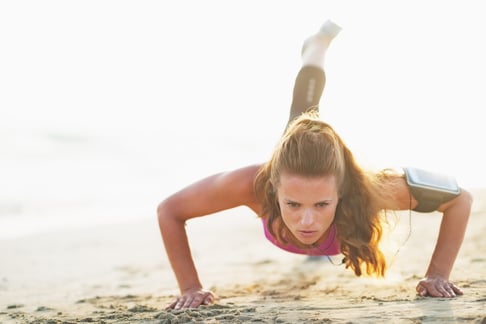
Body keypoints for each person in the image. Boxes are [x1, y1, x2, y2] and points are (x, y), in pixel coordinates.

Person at [157, 19, 473, 310]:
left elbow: (460, 199)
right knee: (301, 111)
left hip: (333, 170)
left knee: (305, 109)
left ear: (343, 191)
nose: (307, 221)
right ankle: (316, 47)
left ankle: (316, 48)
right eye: (292, 204)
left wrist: (437, 274)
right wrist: (190, 287)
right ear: (273, 190)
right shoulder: (252, 184)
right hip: (291, 158)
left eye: (322, 204)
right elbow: (169, 211)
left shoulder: (369, 188)